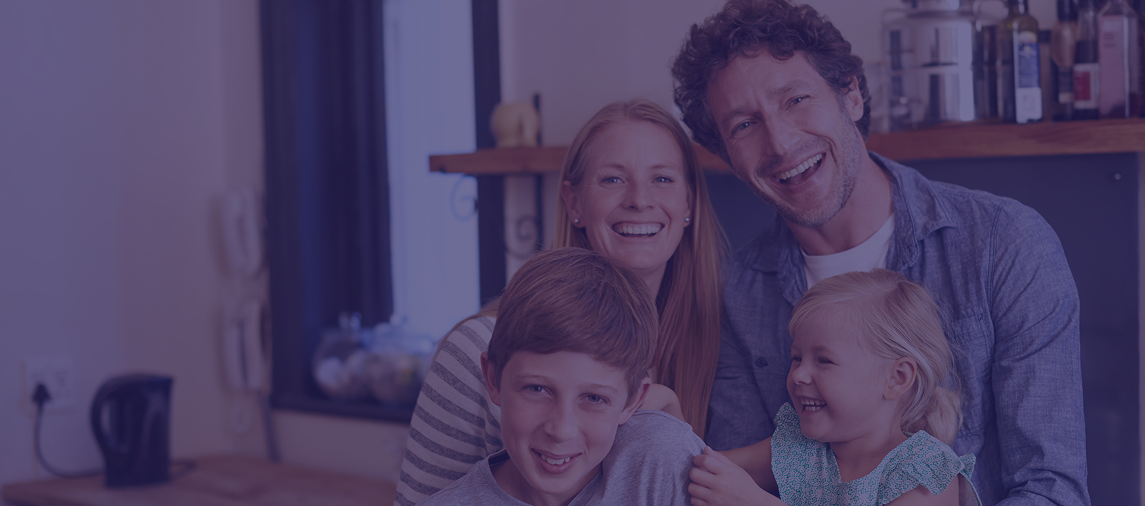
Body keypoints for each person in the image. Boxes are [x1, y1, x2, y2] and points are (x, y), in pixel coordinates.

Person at [671, 1, 1088, 504]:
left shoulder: (1006, 243)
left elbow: (1050, 490)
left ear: (851, 96)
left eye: (796, 99)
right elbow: (722, 483)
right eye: (743, 125)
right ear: (727, 157)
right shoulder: (736, 292)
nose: (779, 142)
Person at [395, 99, 726, 505]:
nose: (640, 199)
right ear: (573, 203)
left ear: (689, 202)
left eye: (662, 178)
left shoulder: (711, 344)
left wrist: (669, 413)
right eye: (612, 179)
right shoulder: (476, 346)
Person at [419, 247, 705, 506]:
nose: (561, 430)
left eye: (594, 398)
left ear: (632, 400)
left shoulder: (663, 463)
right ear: (493, 378)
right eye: (537, 389)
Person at [689, 270, 981, 506]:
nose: (799, 374)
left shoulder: (928, 474)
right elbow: (697, 467)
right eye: (796, 358)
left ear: (897, 378)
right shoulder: (799, 450)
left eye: (824, 360)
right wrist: (671, 419)